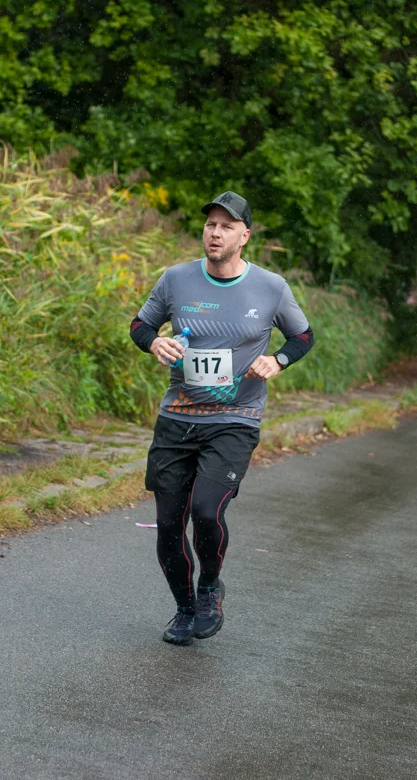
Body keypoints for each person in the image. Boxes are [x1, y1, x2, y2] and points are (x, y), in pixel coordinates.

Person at [130, 190, 314, 646]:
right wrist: (154, 342)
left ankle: (210, 587)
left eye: (226, 227)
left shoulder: (271, 287)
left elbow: (303, 336)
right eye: (210, 225)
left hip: (236, 417)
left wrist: (278, 360)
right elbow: (140, 325)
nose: (215, 233)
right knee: (170, 524)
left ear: (244, 236)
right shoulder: (176, 279)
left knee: (206, 510)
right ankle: (184, 608)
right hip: (178, 416)